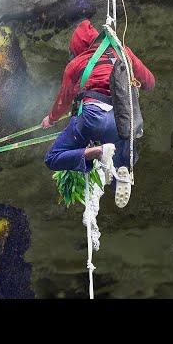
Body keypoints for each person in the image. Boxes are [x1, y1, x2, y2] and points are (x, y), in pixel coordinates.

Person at [42, 19, 155, 205]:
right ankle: (121, 170)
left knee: (53, 158)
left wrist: (51, 119)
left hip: (92, 117)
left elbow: (64, 101)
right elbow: (149, 82)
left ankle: (97, 152)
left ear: (78, 47)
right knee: (122, 156)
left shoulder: (77, 63)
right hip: (122, 121)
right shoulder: (124, 53)